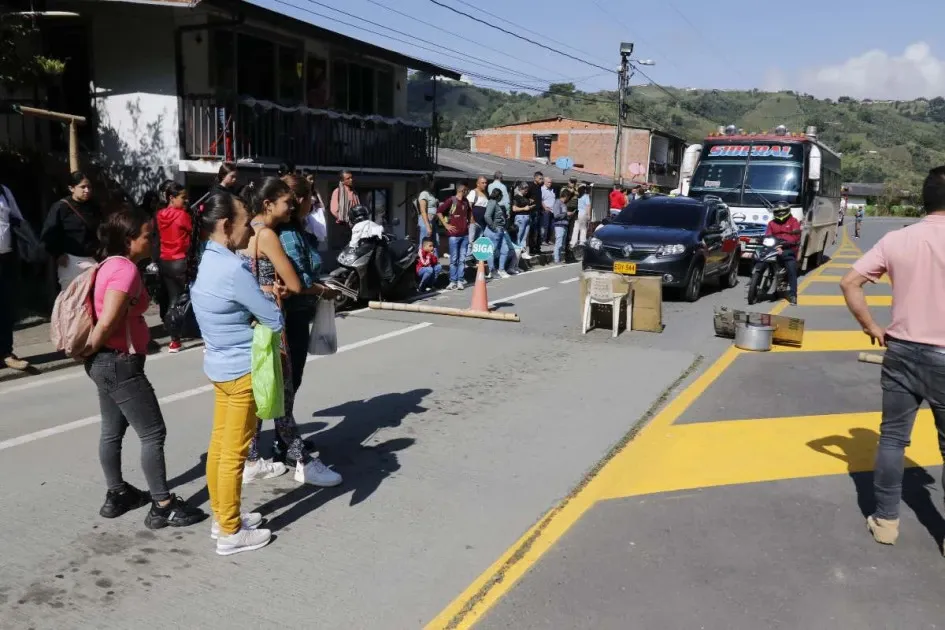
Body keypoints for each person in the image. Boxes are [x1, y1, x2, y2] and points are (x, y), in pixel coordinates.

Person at [839, 165, 945, 548]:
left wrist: (871, 326)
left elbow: (849, 282)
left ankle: (886, 522)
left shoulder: (898, 239)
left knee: (893, 439)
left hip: (901, 352)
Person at [80, 208, 205, 530]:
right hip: (119, 362)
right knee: (153, 432)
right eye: (148, 236)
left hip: (107, 362)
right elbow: (107, 321)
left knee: (112, 431)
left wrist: (92, 356)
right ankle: (163, 505)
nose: (153, 241)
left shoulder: (108, 265)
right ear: (129, 240)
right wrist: (88, 350)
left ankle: (117, 495)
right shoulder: (124, 271)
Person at [189, 192, 280, 555]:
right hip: (241, 369)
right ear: (227, 226)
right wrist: (268, 298)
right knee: (234, 453)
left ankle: (223, 518)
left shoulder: (207, 260)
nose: (251, 230)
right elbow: (273, 318)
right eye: (246, 222)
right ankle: (230, 531)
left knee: (219, 446)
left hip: (219, 366)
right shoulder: (233, 269)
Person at [239, 178, 342, 488]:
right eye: (287, 202)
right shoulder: (267, 234)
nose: (292, 207)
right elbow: (295, 284)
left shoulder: (243, 230)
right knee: (281, 391)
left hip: (249, 322)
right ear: (268, 203)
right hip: (273, 321)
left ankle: (252, 458)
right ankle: (301, 461)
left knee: (262, 388)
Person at [278, 174, 340, 397]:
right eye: (310, 200)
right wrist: (324, 290)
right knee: (288, 378)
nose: (312, 205)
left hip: (297, 312)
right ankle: (284, 419)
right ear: (300, 200)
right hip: (291, 314)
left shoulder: (298, 230)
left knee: (288, 378)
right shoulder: (289, 234)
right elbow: (298, 283)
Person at [41, 171, 100, 290]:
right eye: (83, 187)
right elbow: (48, 234)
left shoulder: (94, 207)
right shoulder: (61, 207)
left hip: (93, 259)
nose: (87, 190)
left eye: (89, 187)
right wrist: (58, 254)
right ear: (71, 188)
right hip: (71, 261)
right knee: (71, 297)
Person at [154, 182, 192, 353]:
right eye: (183, 197)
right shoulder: (182, 215)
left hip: (165, 261)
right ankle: (202, 334)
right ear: (171, 197)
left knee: (173, 299)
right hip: (181, 260)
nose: (186, 200)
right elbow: (193, 232)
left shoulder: (160, 215)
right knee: (192, 297)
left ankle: (174, 340)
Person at [0, 184, 30, 371]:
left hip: (5, 257)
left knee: (5, 306)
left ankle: (5, 354)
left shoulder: (3, 191)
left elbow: (18, 219)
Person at [763, 201, 801, 304]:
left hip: (788, 249)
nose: (780, 213)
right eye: (778, 211)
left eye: (783, 211)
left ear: (788, 210)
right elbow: (768, 235)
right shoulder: (771, 223)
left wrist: (783, 245)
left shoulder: (793, 221)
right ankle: (755, 282)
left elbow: (796, 237)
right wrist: (772, 244)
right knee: (759, 260)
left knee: (791, 270)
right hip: (773, 248)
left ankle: (793, 294)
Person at [437, 182, 472, 291]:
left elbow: (469, 214)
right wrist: (446, 225)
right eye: (466, 190)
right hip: (454, 236)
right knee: (454, 259)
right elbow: (439, 211)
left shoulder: (466, 201)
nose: (467, 192)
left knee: (462, 260)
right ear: (462, 190)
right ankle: (452, 281)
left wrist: (469, 224)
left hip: (464, 235)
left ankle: (460, 280)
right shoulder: (451, 200)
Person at [329, 170, 360, 249]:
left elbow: (358, 207)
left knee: (354, 248)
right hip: (343, 225)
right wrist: (345, 219)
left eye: (351, 177)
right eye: (348, 178)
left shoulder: (354, 193)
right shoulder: (337, 192)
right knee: (344, 249)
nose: (351, 180)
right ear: (342, 181)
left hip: (354, 225)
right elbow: (334, 210)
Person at [467, 176, 490, 273]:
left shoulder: (485, 194)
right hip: (474, 221)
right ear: (478, 183)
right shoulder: (473, 192)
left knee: (479, 241)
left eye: (486, 183)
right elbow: (469, 206)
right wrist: (471, 218)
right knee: (471, 240)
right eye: (483, 183)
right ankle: (468, 258)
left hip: (482, 222)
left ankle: (477, 258)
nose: (485, 184)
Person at [415, 175, 440, 254]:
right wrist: (428, 226)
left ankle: (434, 260)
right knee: (426, 244)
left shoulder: (430, 194)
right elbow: (423, 211)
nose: (434, 184)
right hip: (426, 222)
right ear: (429, 182)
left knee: (435, 243)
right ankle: (423, 260)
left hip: (432, 221)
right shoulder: (424, 194)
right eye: (433, 182)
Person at [526, 172, 544, 256]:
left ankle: (537, 247)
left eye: (542, 178)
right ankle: (532, 248)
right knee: (533, 231)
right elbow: (525, 196)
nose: (541, 180)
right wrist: (529, 200)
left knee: (539, 231)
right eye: (540, 178)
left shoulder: (539, 187)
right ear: (535, 178)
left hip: (539, 211)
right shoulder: (530, 186)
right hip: (533, 211)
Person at [552, 189, 572, 264]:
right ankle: (556, 259)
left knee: (562, 243)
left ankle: (558, 258)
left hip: (564, 225)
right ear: (566, 196)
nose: (568, 199)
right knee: (559, 243)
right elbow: (556, 215)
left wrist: (568, 215)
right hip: (559, 225)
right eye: (568, 197)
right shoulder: (557, 202)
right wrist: (566, 214)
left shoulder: (563, 204)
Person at [571, 184, 591, 249]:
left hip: (577, 212)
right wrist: (589, 215)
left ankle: (573, 242)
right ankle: (582, 241)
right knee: (583, 227)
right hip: (583, 213)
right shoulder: (586, 196)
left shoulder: (578, 196)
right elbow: (588, 206)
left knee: (576, 227)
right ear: (584, 190)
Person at [541, 177, 556, 245]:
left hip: (553, 211)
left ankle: (548, 239)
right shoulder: (542, 189)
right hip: (546, 210)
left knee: (551, 226)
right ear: (544, 182)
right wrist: (545, 208)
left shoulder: (551, 190)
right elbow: (541, 200)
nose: (550, 183)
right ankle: (543, 240)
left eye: (551, 182)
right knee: (546, 225)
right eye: (548, 182)